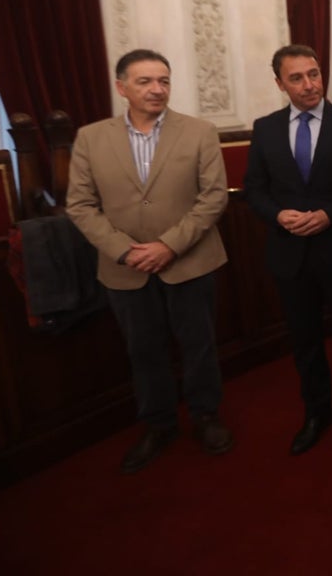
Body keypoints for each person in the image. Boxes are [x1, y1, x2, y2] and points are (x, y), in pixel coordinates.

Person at [67, 49, 233, 474]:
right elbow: (81, 206)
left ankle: (205, 416)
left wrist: (169, 245)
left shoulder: (199, 132)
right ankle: (158, 424)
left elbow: (213, 197)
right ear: (122, 87)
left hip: (190, 261)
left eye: (163, 80)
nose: (157, 89)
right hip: (124, 269)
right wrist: (125, 250)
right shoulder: (91, 138)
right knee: (143, 351)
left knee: (199, 346)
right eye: (145, 81)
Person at [244, 44, 332, 456]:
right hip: (290, 254)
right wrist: (278, 216)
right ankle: (317, 413)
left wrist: (328, 215)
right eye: (297, 78)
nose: (310, 84)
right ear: (279, 83)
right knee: (304, 341)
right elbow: (255, 189)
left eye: (315, 74)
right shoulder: (265, 128)